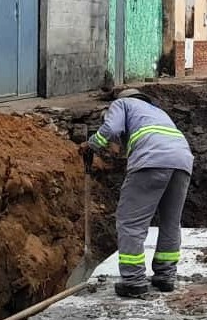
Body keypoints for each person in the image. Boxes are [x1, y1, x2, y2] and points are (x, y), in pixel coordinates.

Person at [83, 88, 194, 297]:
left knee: (130, 223)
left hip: (151, 160)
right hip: (182, 162)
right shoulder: (157, 112)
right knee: (171, 222)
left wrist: (92, 145)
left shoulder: (122, 104)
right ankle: (165, 276)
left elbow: (111, 128)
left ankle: (133, 280)